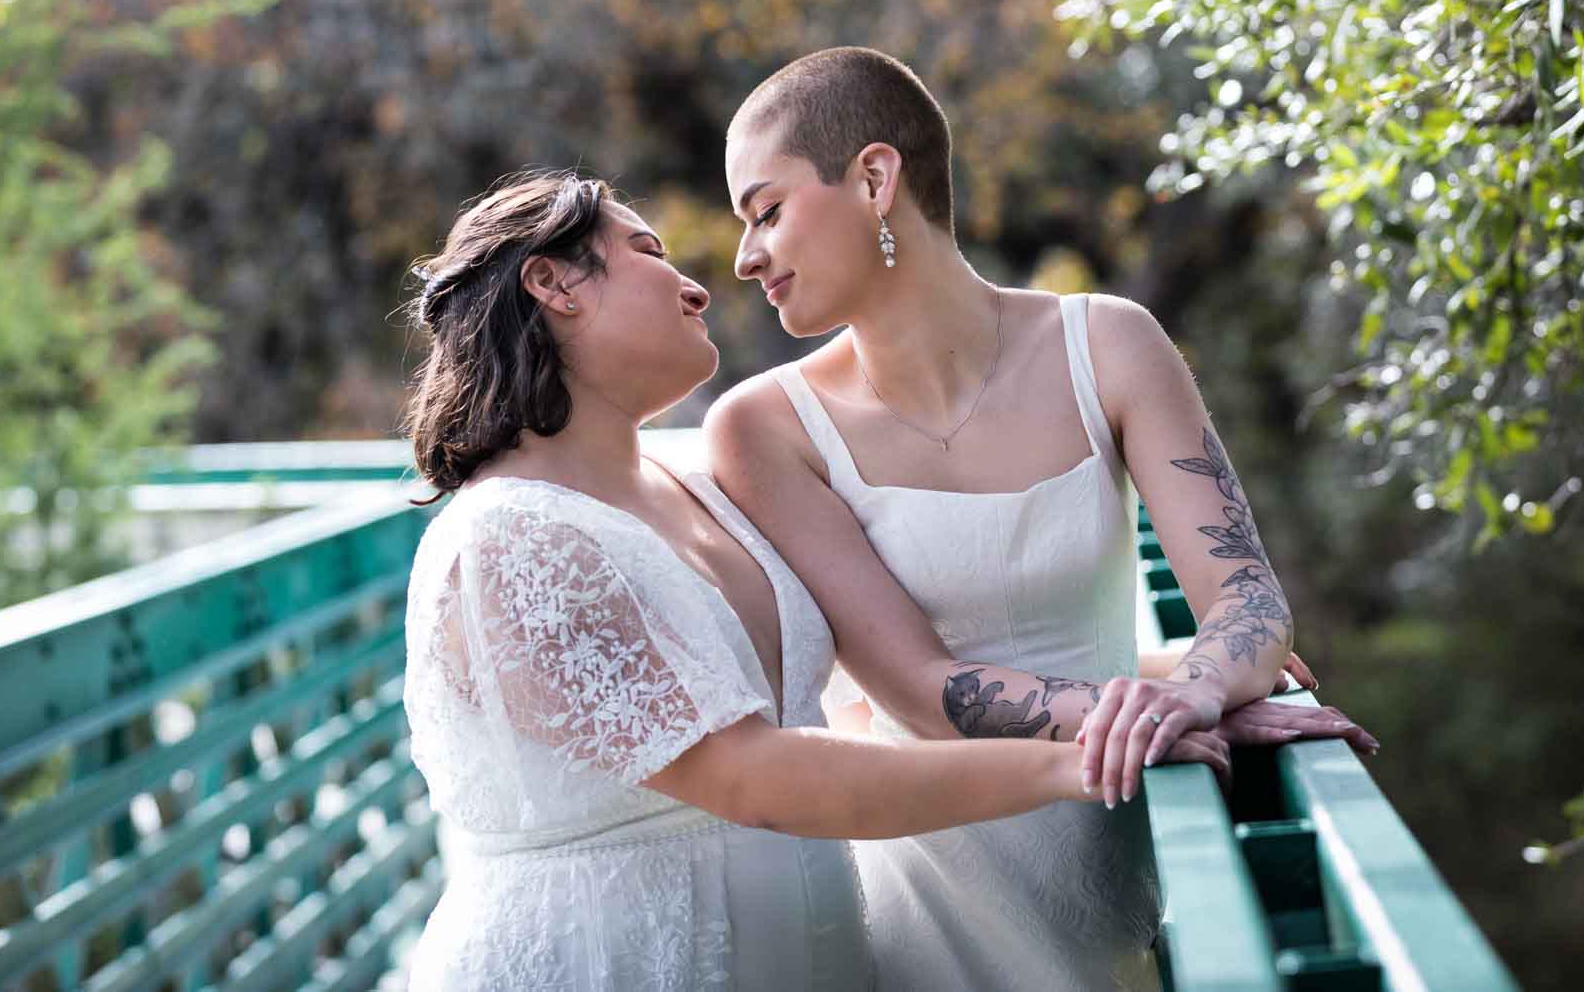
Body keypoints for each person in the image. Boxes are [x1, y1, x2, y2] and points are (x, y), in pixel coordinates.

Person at [397, 171, 1238, 990]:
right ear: (553, 283)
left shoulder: (702, 488)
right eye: (647, 251)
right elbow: (750, 775)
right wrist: (1083, 760)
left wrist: (1175, 689)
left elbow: (898, 670)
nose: (698, 287)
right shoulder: (511, 540)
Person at [707, 47, 1376, 991]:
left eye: (766, 211)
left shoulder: (1110, 344)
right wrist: (1135, 705)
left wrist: (1195, 689)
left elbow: (1250, 605)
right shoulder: (765, 429)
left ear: (872, 178)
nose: (746, 256)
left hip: (1126, 857)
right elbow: (920, 691)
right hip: (930, 902)